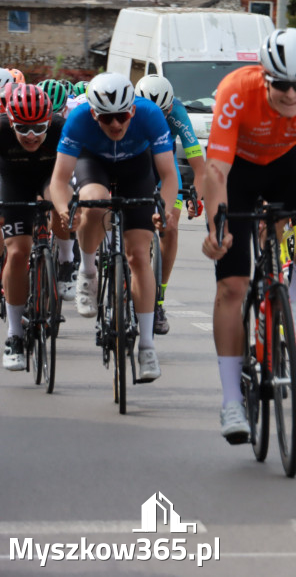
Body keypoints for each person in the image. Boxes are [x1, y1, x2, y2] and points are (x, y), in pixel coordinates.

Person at [201, 28, 296, 443]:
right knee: (232, 286)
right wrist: (218, 226)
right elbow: (216, 171)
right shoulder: (236, 88)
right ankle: (232, 399)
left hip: (286, 165)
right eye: (280, 84)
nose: (290, 93)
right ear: (263, 77)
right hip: (238, 172)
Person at [49, 72, 178, 384]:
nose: (116, 125)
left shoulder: (148, 115)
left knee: (138, 256)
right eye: (107, 119)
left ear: (132, 110)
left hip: (137, 167)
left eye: (122, 116)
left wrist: (165, 209)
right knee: (94, 200)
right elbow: (59, 180)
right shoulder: (79, 119)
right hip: (94, 164)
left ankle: (147, 347)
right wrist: (66, 209)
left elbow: (169, 175)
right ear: (94, 114)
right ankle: (88, 272)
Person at [0, 85, 76, 370]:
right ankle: (14, 337)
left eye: (38, 128)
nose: (31, 136)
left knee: (63, 206)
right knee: (18, 254)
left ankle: (67, 262)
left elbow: (74, 171)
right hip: (14, 183)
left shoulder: (61, 128)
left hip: (50, 177)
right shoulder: (2, 131)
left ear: (50, 121)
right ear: (10, 121)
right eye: (22, 128)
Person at [134, 74, 207, 335]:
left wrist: (196, 196)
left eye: (162, 112)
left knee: (170, 225)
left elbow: (198, 163)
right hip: (136, 164)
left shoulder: (177, 112)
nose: (157, 116)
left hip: (165, 166)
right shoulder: (127, 110)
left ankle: (159, 298)